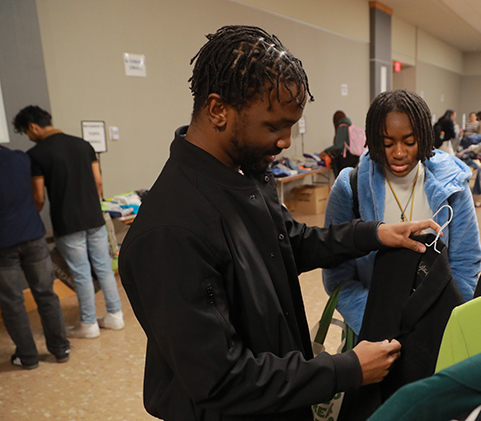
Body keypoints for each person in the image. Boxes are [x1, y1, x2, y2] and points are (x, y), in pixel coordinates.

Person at [118, 26, 441, 421]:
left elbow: (289, 241)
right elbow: (221, 379)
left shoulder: (244, 175)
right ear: (218, 110)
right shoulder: (171, 231)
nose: (286, 141)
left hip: (282, 396)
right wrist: (347, 368)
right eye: (274, 127)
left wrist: (372, 234)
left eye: (291, 125)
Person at [323, 89, 481, 335]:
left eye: (409, 142)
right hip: (373, 333)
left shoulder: (453, 187)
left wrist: (448, 321)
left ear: (425, 138)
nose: (399, 153)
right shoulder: (350, 188)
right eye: (387, 143)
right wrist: (378, 323)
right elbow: (337, 275)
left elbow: (465, 262)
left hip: (437, 330)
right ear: (374, 141)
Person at [12, 105, 124, 339]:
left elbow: (39, 197)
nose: (30, 137)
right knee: (104, 267)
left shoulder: (36, 154)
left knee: (81, 273)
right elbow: (98, 183)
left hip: (67, 221)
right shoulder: (84, 145)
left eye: (27, 132)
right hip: (94, 217)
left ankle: (89, 324)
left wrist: (33, 215)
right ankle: (115, 316)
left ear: (33, 127)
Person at [0, 146, 70, 369]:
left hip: (3, 244)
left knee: (12, 303)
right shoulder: (20, 158)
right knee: (47, 294)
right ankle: (61, 349)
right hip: (34, 236)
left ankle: (28, 357)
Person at [324, 110, 360, 176]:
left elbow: (338, 145)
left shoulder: (342, 127)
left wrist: (325, 151)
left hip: (346, 159)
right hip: (355, 158)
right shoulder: (350, 126)